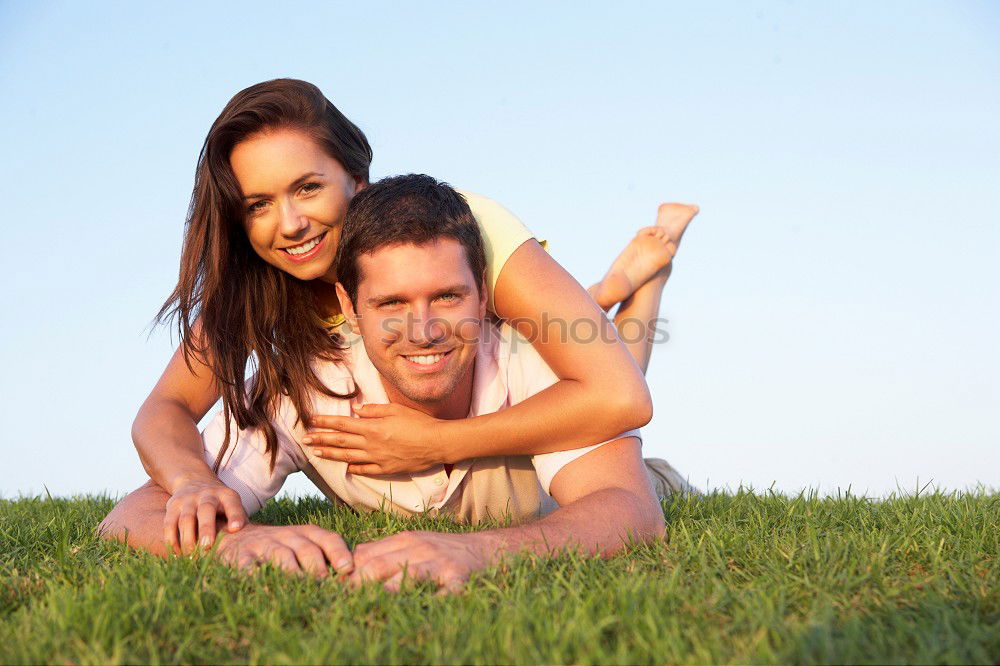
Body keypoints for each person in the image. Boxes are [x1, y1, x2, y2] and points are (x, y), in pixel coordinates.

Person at [129, 78, 700, 550]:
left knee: (595, 357)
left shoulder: (454, 230)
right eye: (258, 204)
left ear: (357, 179)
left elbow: (619, 397)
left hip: (503, 384)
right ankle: (625, 281)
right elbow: (165, 409)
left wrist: (436, 444)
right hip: (457, 388)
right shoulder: (259, 293)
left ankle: (640, 280)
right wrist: (190, 484)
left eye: (306, 188)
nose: (290, 223)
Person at [101, 175, 674, 593]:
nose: (423, 332)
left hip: (626, 475)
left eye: (447, 297)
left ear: (486, 293)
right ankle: (637, 280)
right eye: (391, 303)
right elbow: (130, 516)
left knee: (626, 377)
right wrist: (232, 543)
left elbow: (629, 509)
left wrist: (480, 551)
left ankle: (644, 283)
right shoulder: (304, 388)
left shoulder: (536, 365)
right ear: (349, 306)